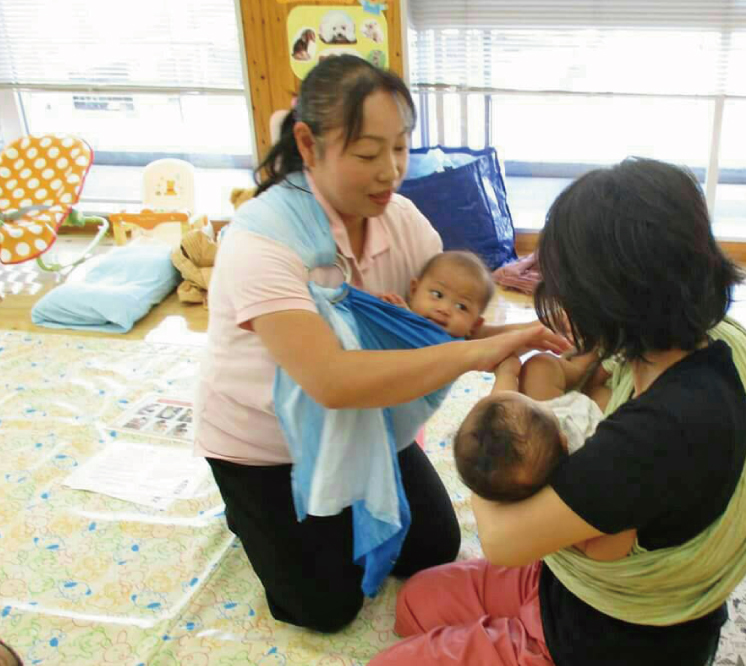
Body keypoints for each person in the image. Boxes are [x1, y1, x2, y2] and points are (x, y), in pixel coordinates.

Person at [193, 55, 565, 634]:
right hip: (267, 446)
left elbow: (444, 332)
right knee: (324, 608)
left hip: (368, 423)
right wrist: (479, 353)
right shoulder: (261, 241)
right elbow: (331, 381)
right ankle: (248, 513)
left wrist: (522, 336)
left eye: (400, 148)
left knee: (434, 549)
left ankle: (323, 515)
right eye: (368, 154)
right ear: (308, 144)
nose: (390, 171)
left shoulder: (406, 223)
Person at [370, 158, 746, 666]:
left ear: (613, 297)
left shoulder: (655, 435)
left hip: (604, 642)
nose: (559, 302)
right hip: (563, 588)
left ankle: (530, 640)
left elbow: (501, 538)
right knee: (414, 601)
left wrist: (501, 392)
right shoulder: (704, 339)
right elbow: (564, 372)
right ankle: (522, 614)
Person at [454, 353, 635, 562]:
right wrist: (628, 518)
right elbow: (601, 550)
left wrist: (507, 373)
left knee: (539, 366)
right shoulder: (579, 486)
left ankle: (589, 362)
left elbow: (499, 402)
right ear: (564, 440)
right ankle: (594, 369)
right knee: (604, 398)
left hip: (568, 411)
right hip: (604, 423)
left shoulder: (530, 443)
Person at [379, 250, 495, 338]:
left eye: (461, 307)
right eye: (437, 294)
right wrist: (399, 313)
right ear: (414, 291)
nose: (444, 309)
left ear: (474, 325)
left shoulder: (460, 350)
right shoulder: (405, 319)